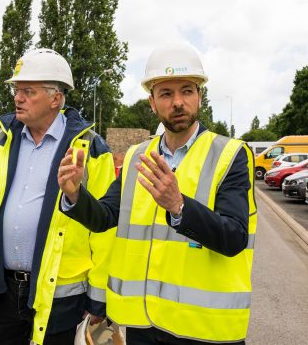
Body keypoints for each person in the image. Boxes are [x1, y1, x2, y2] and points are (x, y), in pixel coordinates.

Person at [57, 42, 256, 344]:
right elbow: (105, 218)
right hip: (143, 326)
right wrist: (75, 195)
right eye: (166, 93)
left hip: (204, 330)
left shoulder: (229, 154)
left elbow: (234, 237)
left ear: (199, 97)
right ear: (152, 102)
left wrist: (179, 207)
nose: (178, 102)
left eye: (187, 91)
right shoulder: (138, 157)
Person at [0, 48, 116, 345]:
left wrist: (99, 296)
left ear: (56, 98)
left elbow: (105, 227)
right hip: (3, 292)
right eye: (17, 90)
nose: (18, 98)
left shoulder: (90, 148)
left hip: (64, 295)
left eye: (28, 91)